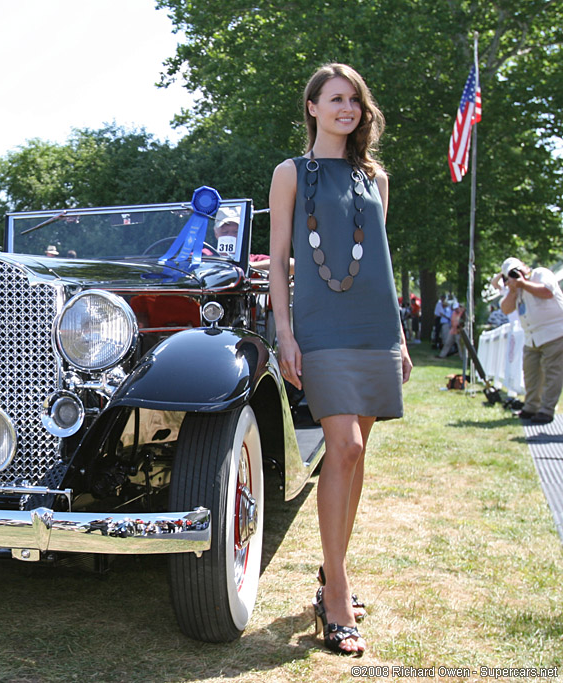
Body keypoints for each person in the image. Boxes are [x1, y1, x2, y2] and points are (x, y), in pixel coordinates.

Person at [268, 63, 411, 655]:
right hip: (321, 327)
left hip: (374, 326)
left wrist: (400, 336)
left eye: (353, 100)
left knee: (357, 456)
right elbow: (278, 260)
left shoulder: (373, 176)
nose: (346, 108)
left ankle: (332, 573)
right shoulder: (289, 174)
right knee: (343, 445)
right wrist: (285, 332)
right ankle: (337, 596)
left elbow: (379, 262)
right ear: (312, 108)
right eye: (334, 99)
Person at [500, 257, 563, 424]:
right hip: (532, 338)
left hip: (555, 333)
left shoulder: (541, 274)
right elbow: (506, 308)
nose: (515, 277)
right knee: (531, 374)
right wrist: (513, 290)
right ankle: (531, 407)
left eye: (516, 271)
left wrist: (523, 284)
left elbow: (547, 292)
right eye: (509, 276)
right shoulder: (515, 289)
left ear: (524, 268)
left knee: (552, 373)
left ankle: (546, 410)